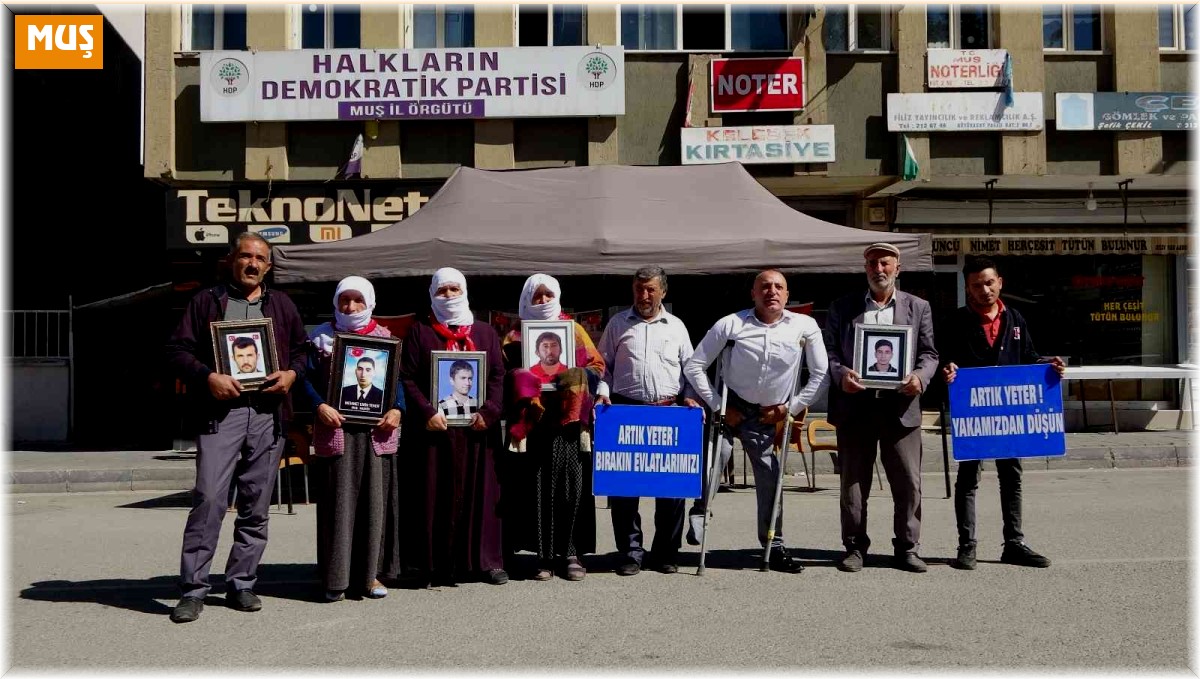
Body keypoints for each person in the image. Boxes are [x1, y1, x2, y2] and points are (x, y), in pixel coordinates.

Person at [164, 232, 308, 623]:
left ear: (268, 266)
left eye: (259, 258)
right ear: (231, 260)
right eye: (245, 256)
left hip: (267, 414)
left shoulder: (282, 305)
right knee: (209, 500)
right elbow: (176, 351)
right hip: (220, 415)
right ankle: (194, 590)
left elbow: (302, 351)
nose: (252, 263)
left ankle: (242, 583)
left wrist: (292, 373)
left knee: (256, 505)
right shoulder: (207, 301)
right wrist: (208, 376)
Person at [682, 269, 828, 573]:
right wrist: (719, 406)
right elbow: (695, 367)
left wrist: (791, 408)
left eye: (778, 287)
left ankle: (773, 544)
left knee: (770, 476)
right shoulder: (731, 324)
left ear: (787, 295)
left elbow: (819, 374)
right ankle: (700, 510)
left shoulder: (805, 326)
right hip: (732, 403)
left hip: (769, 412)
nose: (771, 291)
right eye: (764, 286)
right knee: (715, 458)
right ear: (753, 293)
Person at [942, 256, 1063, 570]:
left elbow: (1030, 358)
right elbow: (944, 362)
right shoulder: (956, 321)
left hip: (1010, 416)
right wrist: (949, 371)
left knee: (1012, 478)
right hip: (974, 416)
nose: (984, 290)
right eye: (976, 285)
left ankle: (1014, 543)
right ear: (967, 288)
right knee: (967, 480)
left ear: (1000, 283)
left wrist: (1050, 367)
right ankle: (966, 546)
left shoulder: (1017, 319)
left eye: (989, 282)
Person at [823, 242, 938, 574]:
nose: (879, 269)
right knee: (853, 484)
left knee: (908, 483)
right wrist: (841, 374)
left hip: (901, 409)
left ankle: (907, 547)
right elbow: (828, 353)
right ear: (865, 269)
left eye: (885, 263)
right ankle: (855, 548)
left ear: (897, 268)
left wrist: (920, 377)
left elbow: (930, 354)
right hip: (855, 408)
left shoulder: (919, 307)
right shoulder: (843, 307)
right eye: (872, 263)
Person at [398, 267, 508, 586]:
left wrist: (490, 411)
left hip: (478, 430)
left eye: (453, 289)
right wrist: (426, 412)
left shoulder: (485, 333)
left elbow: (499, 376)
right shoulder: (420, 331)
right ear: (432, 294)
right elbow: (407, 377)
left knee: (482, 496)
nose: (448, 296)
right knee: (434, 494)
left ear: (465, 291)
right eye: (442, 290)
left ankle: (485, 562)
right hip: (436, 431)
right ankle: (434, 564)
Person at [303, 276, 405, 602]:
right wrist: (319, 405)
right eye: (345, 300)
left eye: (357, 300)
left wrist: (398, 410)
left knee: (374, 505)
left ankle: (370, 576)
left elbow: (397, 382)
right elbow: (303, 379)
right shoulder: (321, 338)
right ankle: (336, 578)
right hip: (337, 430)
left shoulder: (384, 339)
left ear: (370, 302)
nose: (351, 307)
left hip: (376, 433)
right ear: (335, 303)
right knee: (339, 505)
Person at [595, 266, 700, 576]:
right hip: (626, 411)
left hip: (669, 413)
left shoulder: (677, 327)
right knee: (624, 491)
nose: (644, 295)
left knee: (671, 490)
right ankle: (630, 552)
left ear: (663, 292)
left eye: (650, 289)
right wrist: (602, 392)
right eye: (639, 289)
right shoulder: (617, 324)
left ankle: (667, 551)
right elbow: (603, 366)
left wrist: (691, 397)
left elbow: (691, 369)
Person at [501, 273, 606, 581]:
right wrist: (524, 378)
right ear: (527, 300)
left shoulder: (573, 331)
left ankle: (572, 552)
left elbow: (597, 366)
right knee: (536, 490)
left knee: (571, 488)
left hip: (569, 424)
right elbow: (504, 372)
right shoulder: (516, 335)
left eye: (548, 295)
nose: (543, 301)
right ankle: (543, 556)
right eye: (537, 296)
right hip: (534, 425)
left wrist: (575, 376)